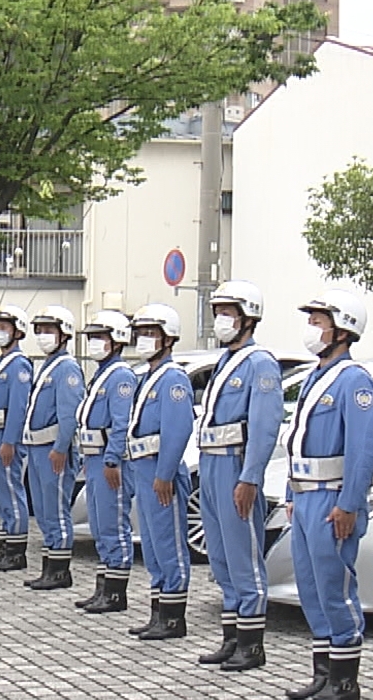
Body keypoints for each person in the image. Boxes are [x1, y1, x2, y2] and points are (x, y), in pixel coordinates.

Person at [283, 290, 373, 700]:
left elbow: (364, 448)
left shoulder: (353, 380)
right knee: (311, 586)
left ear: (342, 329)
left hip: (331, 499)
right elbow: (298, 443)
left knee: (335, 585)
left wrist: (350, 503)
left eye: (319, 321)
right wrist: (292, 491)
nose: (312, 329)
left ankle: (344, 678)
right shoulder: (315, 376)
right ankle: (323, 670)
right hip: (306, 496)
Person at [192, 281, 285, 672]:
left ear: (248, 318)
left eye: (228, 312)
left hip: (234, 465)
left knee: (243, 555)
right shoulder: (226, 361)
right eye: (218, 312)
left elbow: (264, 426)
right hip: (211, 462)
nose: (220, 320)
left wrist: (250, 477)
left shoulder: (259, 363)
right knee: (221, 556)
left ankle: (251, 642)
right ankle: (231, 635)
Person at [122, 305, 195, 640]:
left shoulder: (173, 379)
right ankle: (157, 611)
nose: (144, 340)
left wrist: (164, 474)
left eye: (152, 334)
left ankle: (173, 618)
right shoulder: (147, 377)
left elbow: (177, 430)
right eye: (142, 333)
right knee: (151, 545)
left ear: (168, 338)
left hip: (159, 471)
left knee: (169, 544)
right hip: (142, 467)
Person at [72, 311, 137, 614]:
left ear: (118, 340)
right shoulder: (101, 375)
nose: (95, 343)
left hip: (111, 462)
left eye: (101, 337)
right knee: (99, 524)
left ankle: (115, 593)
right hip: (95, 458)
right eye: (93, 337)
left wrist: (112, 458)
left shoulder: (121, 376)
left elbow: (121, 423)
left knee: (113, 524)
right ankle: (102, 586)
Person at [20, 306, 85, 591]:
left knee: (56, 510)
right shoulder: (47, 365)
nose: (43, 336)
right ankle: (49, 566)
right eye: (40, 330)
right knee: (44, 510)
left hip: (52, 450)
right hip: (37, 447)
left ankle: (59, 571)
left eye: (49, 330)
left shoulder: (67, 368)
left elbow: (69, 415)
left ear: (64, 334)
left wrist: (60, 448)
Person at [0, 307, 34, 572]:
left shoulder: (19, 365)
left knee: (11, 491)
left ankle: (16, 550)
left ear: (18, 331)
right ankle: (5, 545)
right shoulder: (1, 361)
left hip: (4, 435)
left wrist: (10, 441)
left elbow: (18, 406)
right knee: (0, 493)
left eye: (5, 327)